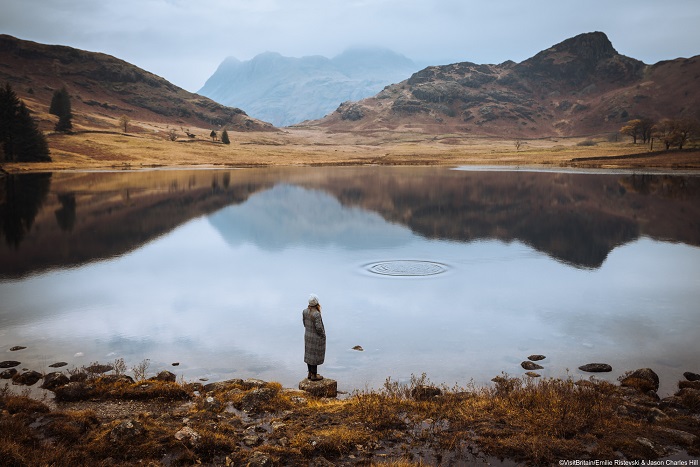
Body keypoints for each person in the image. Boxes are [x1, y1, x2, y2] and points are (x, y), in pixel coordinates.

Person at [302, 293, 326, 381]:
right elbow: (319, 328)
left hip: (307, 335)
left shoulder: (305, 311)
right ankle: (314, 375)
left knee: (309, 354)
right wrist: (323, 335)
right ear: (317, 303)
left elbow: (304, 323)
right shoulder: (316, 314)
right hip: (315, 337)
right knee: (314, 355)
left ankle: (309, 373)